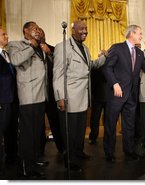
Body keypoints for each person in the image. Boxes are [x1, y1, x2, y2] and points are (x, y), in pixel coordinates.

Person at [102, 24, 145, 163]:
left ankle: (128, 150)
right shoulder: (117, 48)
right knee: (111, 124)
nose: (141, 36)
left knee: (129, 125)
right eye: (140, 33)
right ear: (132, 34)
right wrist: (115, 83)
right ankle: (109, 153)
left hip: (132, 95)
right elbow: (107, 68)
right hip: (116, 94)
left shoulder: (140, 53)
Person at [53, 20, 106, 171]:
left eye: (86, 29)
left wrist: (104, 58)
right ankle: (69, 159)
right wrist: (60, 97)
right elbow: (58, 75)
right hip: (69, 96)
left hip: (83, 96)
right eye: (81, 28)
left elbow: (90, 66)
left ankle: (78, 151)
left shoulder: (86, 48)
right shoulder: (62, 47)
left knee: (80, 128)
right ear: (73, 31)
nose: (85, 31)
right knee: (69, 130)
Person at [8, 21, 48, 178]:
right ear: (25, 31)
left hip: (40, 95)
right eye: (34, 28)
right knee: (27, 135)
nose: (37, 30)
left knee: (36, 133)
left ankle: (33, 162)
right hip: (28, 95)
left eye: (38, 28)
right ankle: (24, 167)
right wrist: (31, 46)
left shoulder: (39, 46)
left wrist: (44, 48)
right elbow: (16, 60)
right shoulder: (15, 44)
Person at [38, 28, 63, 154]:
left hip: (52, 94)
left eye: (43, 33)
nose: (41, 35)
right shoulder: (32, 51)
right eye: (38, 33)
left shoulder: (54, 49)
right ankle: (39, 151)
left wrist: (49, 54)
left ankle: (62, 148)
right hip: (38, 94)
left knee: (56, 123)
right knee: (38, 126)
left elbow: (59, 67)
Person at [0, 27, 18, 175]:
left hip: (12, 100)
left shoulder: (7, 54)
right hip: (2, 101)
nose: (7, 36)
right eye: (3, 34)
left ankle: (11, 159)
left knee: (11, 131)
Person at [88, 64, 107, 145]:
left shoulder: (95, 69)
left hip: (97, 96)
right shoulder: (109, 68)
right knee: (107, 119)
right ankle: (107, 137)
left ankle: (93, 138)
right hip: (107, 97)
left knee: (95, 119)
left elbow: (92, 83)